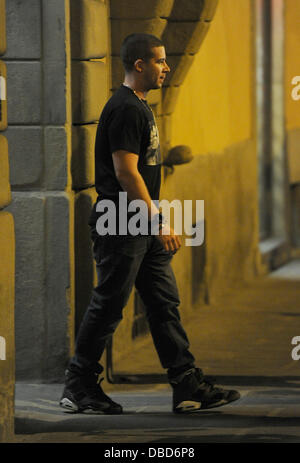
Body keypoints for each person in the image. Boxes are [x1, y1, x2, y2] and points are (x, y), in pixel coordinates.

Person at [60, 33, 240, 414]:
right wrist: (158, 221)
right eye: (159, 61)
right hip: (123, 222)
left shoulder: (140, 105)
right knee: (109, 305)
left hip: (140, 222)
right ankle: (79, 385)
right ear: (139, 64)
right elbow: (126, 173)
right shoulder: (125, 107)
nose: (166, 67)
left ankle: (186, 384)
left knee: (163, 302)